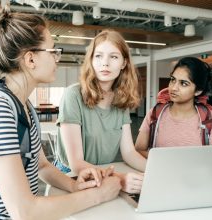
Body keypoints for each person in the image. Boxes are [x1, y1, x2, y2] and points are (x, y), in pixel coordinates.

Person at [0, 1, 121, 219]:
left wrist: (73, 184)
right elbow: (24, 211)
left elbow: (41, 165)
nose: (57, 58)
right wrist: (100, 195)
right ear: (30, 59)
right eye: (53, 51)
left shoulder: (23, 104)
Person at [55, 29, 146, 194]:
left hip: (105, 175)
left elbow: (129, 152)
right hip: (72, 177)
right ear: (90, 60)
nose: (105, 63)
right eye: (98, 56)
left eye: (113, 57)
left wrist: (154, 171)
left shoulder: (121, 100)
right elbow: (76, 163)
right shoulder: (73, 95)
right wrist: (119, 179)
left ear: (124, 63)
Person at [135, 57, 212, 157]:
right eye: (173, 80)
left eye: (183, 83)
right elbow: (139, 149)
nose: (174, 88)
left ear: (198, 91)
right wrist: (165, 164)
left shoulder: (211, 118)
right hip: (162, 171)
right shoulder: (155, 113)